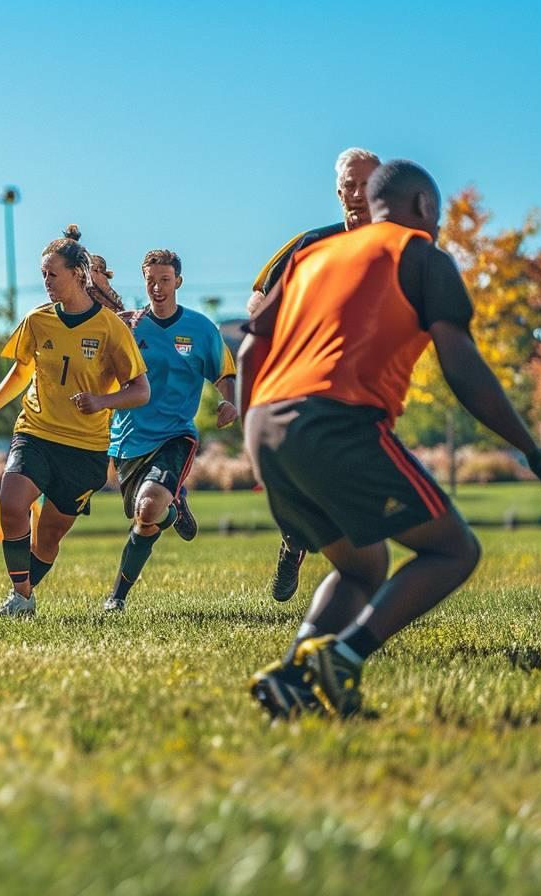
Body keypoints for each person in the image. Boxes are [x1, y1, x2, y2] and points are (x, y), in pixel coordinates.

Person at [238, 160, 541, 719]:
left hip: (267, 425)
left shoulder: (312, 256)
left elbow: (247, 350)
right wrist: (530, 449)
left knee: (362, 567)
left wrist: (251, 441)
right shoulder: (422, 256)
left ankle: (293, 676)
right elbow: (463, 368)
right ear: (424, 208)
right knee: (453, 549)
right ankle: (346, 656)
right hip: (338, 422)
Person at [0, 226, 149, 617]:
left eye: (53, 274)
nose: (46, 282)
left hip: (86, 450)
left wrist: (102, 400)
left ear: (77, 274)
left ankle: (22, 595)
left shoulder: (111, 328)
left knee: (47, 537)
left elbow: (140, 390)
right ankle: (21, 597)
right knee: (12, 506)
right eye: (43, 274)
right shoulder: (37, 321)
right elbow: (20, 372)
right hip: (36, 433)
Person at [247, 147, 382, 602]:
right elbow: (257, 303)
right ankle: (297, 540)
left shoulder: (399, 250)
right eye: (349, 185)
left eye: (367, 184)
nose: (357, 194)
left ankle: (303, 541)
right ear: (337, 190)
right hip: (302, 385)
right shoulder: (308, 245)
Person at [101, 249, 237, 612]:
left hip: (176, 435)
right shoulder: (130, 326)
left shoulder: (200, 328)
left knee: (147, 508)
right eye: (151, 281)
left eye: (165, 280)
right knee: (145, 516)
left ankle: (116, 599)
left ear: (178, 281)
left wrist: (227, 402)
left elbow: (224, 372)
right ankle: (174, 507)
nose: (157, 288)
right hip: (127, 439)